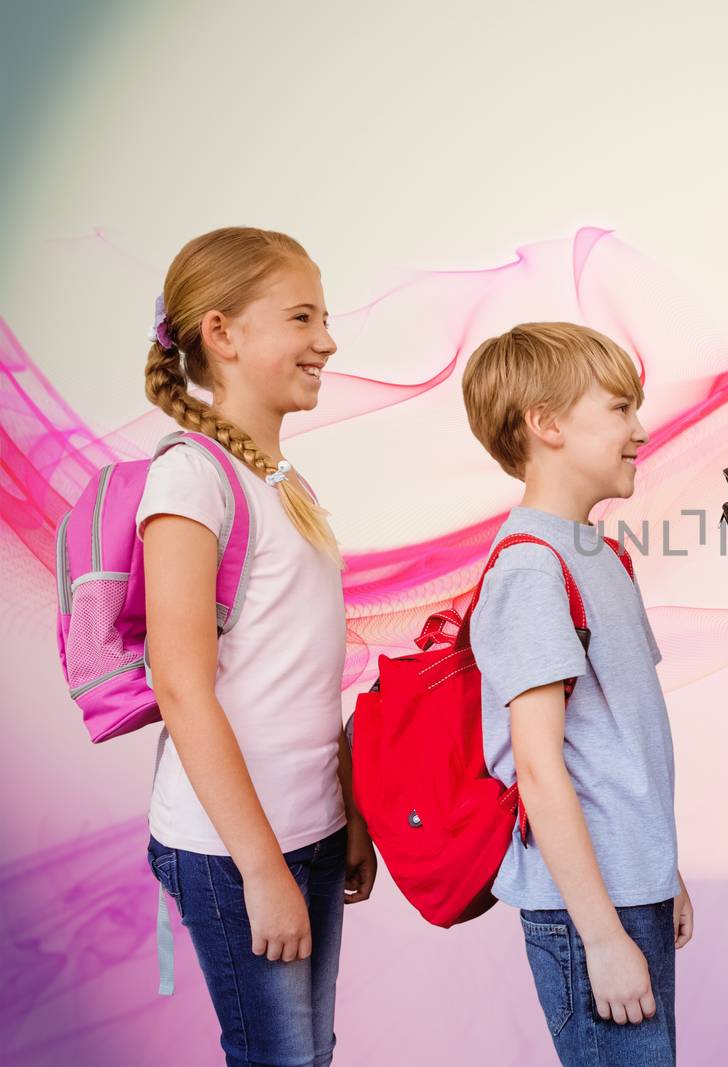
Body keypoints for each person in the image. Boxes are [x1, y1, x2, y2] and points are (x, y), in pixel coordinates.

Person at [140, 226, 376, 1067]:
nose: (327, 340)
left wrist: (344, 808)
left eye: (326, 317)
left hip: (308, 827)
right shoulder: (188, 479)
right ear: (223, 333)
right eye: (302, 317)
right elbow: (182, 687)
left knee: (308, 1053)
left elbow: (305, 669)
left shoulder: (284, 483)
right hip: (237, 845)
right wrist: (261, 869)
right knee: (279, 1057)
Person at [461, 322, 691, 1066]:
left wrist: (662, 868)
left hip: (629, 888)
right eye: (620, 408)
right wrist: (599, 933)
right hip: (588, 908)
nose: (641, 429)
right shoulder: (530, 571)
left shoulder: (597, 551)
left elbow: (620, 736)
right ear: (547, 424)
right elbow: (539, 766)